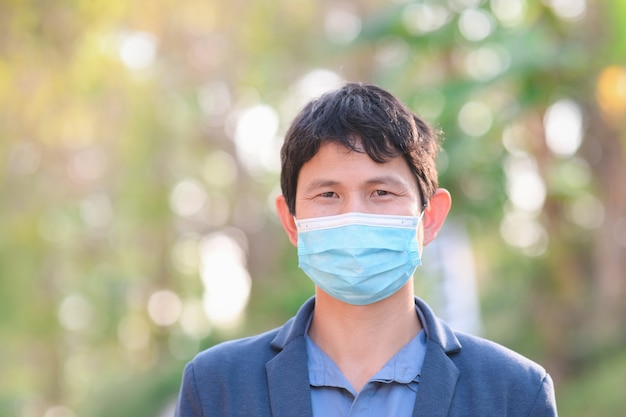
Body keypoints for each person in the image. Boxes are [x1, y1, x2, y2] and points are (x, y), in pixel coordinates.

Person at [174, 83, 558, 416]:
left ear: (430, 217)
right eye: (328, 194)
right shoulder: (216, 388)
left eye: (381, 192)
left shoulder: (514, 393)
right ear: (291, 220)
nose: (353, 215)